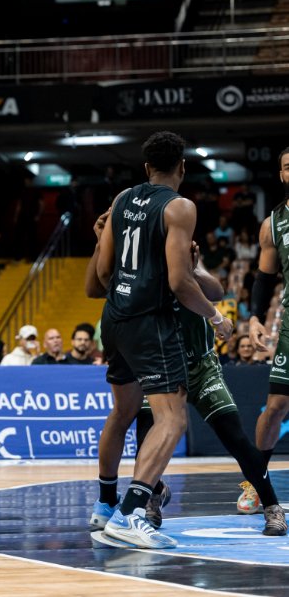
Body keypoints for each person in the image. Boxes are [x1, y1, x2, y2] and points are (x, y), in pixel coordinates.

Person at [89, 211, 284, 536]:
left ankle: (271, 505)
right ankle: (152, 498)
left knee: (235, 438)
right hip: (160, 367)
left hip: (200, 366)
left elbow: (216, 290)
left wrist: (193, 269)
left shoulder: (183, 251)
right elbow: (100, 284)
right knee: (146, 438)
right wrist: (101, 243)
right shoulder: (135, 270)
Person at [84, 132, 233, 548]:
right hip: (150, 322)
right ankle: (131, 513)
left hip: (114, 318)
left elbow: (102, 273)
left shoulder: (122, 199)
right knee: (172, 418)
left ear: (146, 167)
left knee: (123, 412)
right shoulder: (179, 207)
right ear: (182, 167)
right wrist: (216, 316)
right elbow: (181, 282)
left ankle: (105, 505)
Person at [247, 145, 289, 514]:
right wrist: (255, 317)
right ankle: (256, 482)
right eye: (288, 167)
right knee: (275, 406)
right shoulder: (273, 223)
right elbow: (264, 277)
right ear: (281, 175)